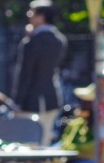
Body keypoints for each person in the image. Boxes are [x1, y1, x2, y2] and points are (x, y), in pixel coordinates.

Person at [12, 0, 67, 145]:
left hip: (31, 100)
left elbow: (25, 74)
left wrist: (17, 102)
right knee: (45, 139)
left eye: (32, 13)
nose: (29, 16)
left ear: (41, 17)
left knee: (28, 142)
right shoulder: (59, 40)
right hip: (52, 97)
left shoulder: (32, 41)